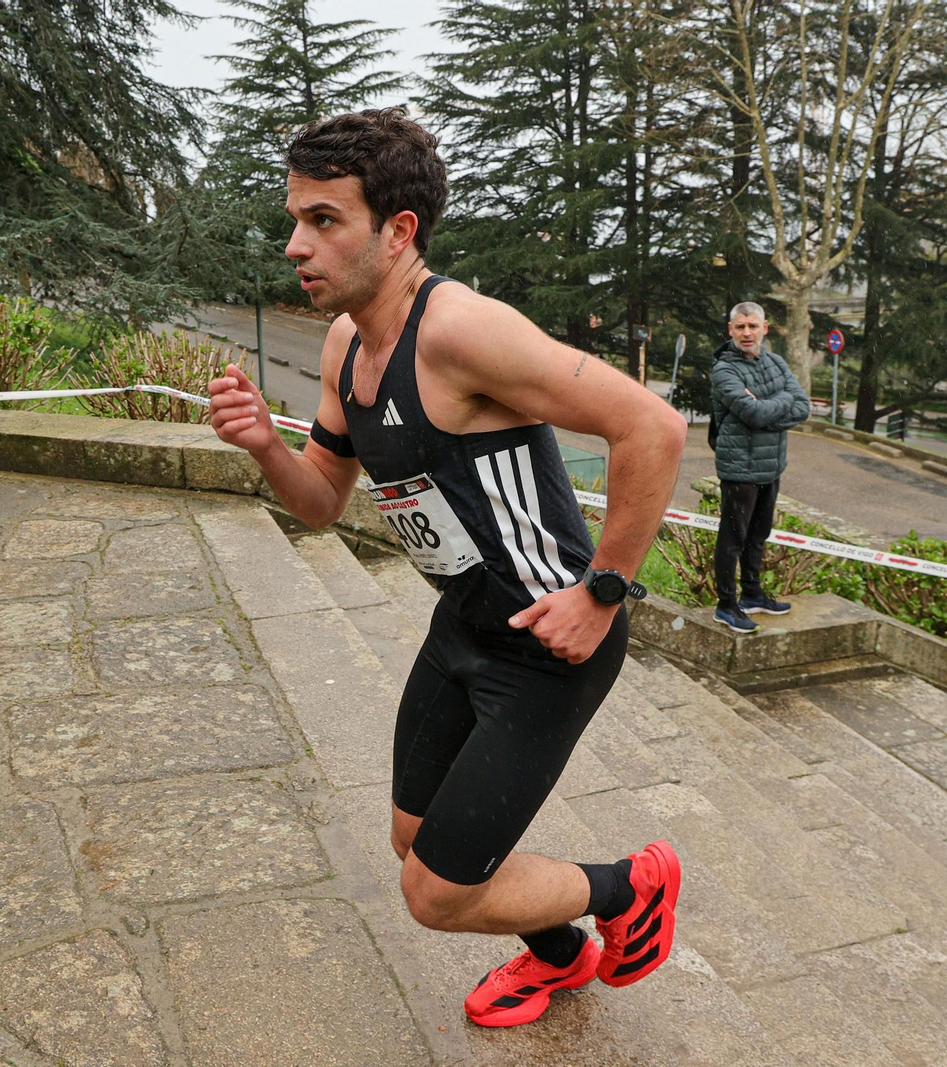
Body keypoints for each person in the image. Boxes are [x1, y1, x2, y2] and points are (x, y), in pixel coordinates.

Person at [207, 109, 687, 1029]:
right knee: (412, 839)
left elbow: (653, 428)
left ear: (398, 232)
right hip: (462, 626)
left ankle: (629, 886)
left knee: (433, 893)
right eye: (294, 219)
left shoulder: (462, 331)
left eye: (323, 220)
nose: (295, 245)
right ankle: (562, 958)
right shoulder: (348, 344)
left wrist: (602, 593)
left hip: (552, 644)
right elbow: (318, 501)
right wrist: (266, 443)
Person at [708, 303, 810, 633]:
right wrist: (776, 407)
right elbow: (752, 415)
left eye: (753, 325)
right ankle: (726, 605)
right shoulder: (724, 370)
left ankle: (752, 595)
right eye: (740, 327)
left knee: (758, 536)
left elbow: (803, 407)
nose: (747, 332)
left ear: (765, 328)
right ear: (730, 329)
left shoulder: (776, 361)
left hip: (772, 466)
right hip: (740, 468)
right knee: (733, 539)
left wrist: (764, 409)